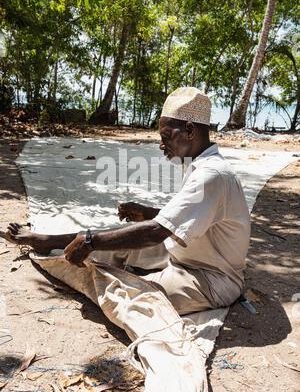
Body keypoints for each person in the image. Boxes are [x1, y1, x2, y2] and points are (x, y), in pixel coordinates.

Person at [0, 87, 251, 316]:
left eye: (166, 135)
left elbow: (155, 233)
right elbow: (194, 215)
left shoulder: (211, 175)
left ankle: (71, 246)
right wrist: (150, 213)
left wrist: (90, 240)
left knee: (130, 301)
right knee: (119, 239)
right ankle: (47, 241)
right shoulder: (200, 165)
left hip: (210, 278)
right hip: (187, 253)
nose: (161, 145)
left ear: (189, 130)